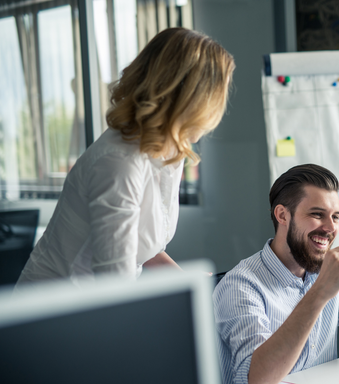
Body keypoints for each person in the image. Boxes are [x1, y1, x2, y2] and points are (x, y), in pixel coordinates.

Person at [15, 28, 235, 287]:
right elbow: (115, 283)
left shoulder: (168, 151)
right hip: (57, 309)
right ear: (194, 100)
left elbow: (143, 247)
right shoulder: (119, 162)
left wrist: (189, 283)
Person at [213, 164, 339, 384]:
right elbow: (257, 379)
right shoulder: (240, 286)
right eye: (317, 214)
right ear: (282, 215)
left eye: (335, 217)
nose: (330, 228)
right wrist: (321, 291)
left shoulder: (323, 274)